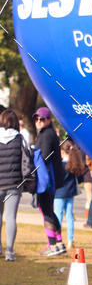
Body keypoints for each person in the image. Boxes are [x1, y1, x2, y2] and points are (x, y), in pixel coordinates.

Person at [33, 106, 66, 256]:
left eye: (42, 119)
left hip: (46, 180)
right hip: (51, 179)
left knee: (46, 211)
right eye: (37, 119)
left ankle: (53, 245)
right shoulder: (49, 133)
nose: (39, 122)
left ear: (48, 120)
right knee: (50, 211)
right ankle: (59, 243)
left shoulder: (46, 135)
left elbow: (44, 156)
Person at [0, 108, 30, 261]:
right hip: (14, 184)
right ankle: (9, 252)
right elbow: (27, 160)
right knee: (11, 217)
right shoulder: (20, 139)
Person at [54, 140, 86, 250]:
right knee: (69, 216)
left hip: (59, 194)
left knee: (57, 216)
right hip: (70, 193)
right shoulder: (73, 164)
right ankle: (70, 240)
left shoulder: (60, 165)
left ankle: (57, 239)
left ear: (63, 151)